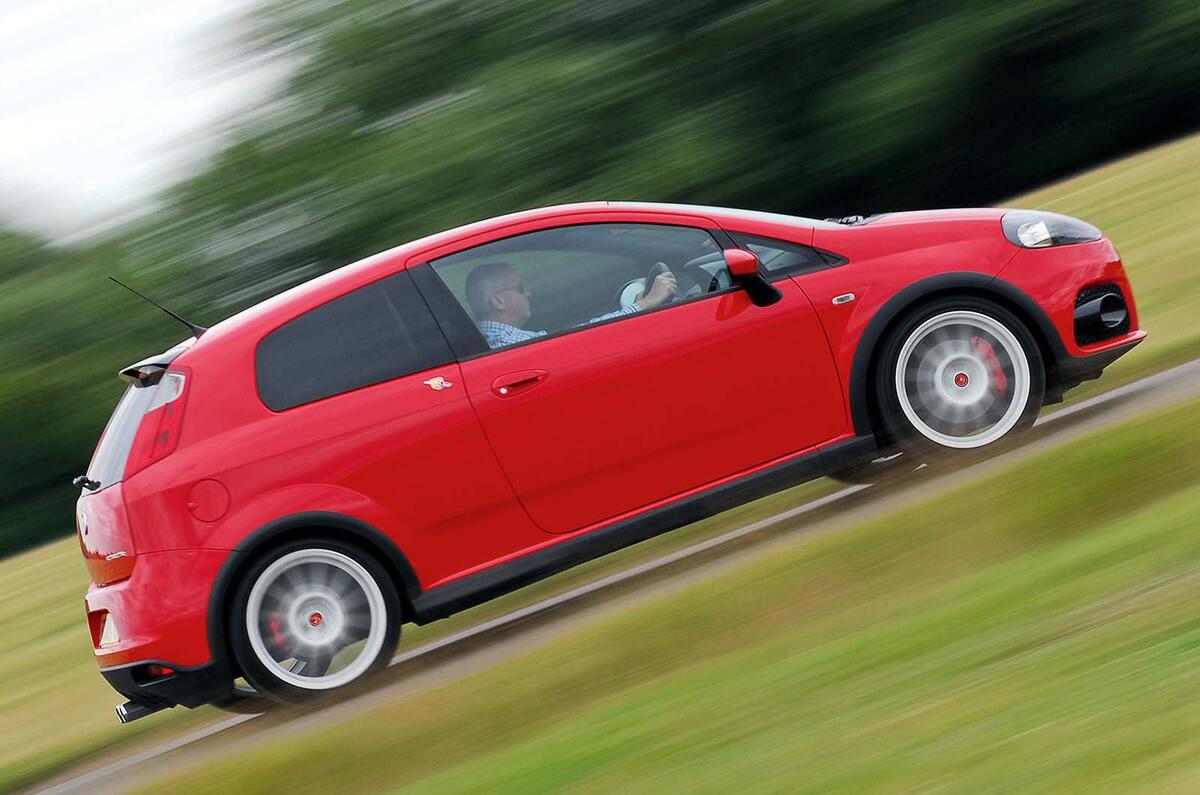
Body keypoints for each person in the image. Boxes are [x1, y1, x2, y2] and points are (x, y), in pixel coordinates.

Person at [465, 261, 678, 349]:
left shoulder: (490, 341)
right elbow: (578, 342)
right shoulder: (507, 342)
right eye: (520, 288)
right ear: (498, 301)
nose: (528, 294)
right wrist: (647, 304)